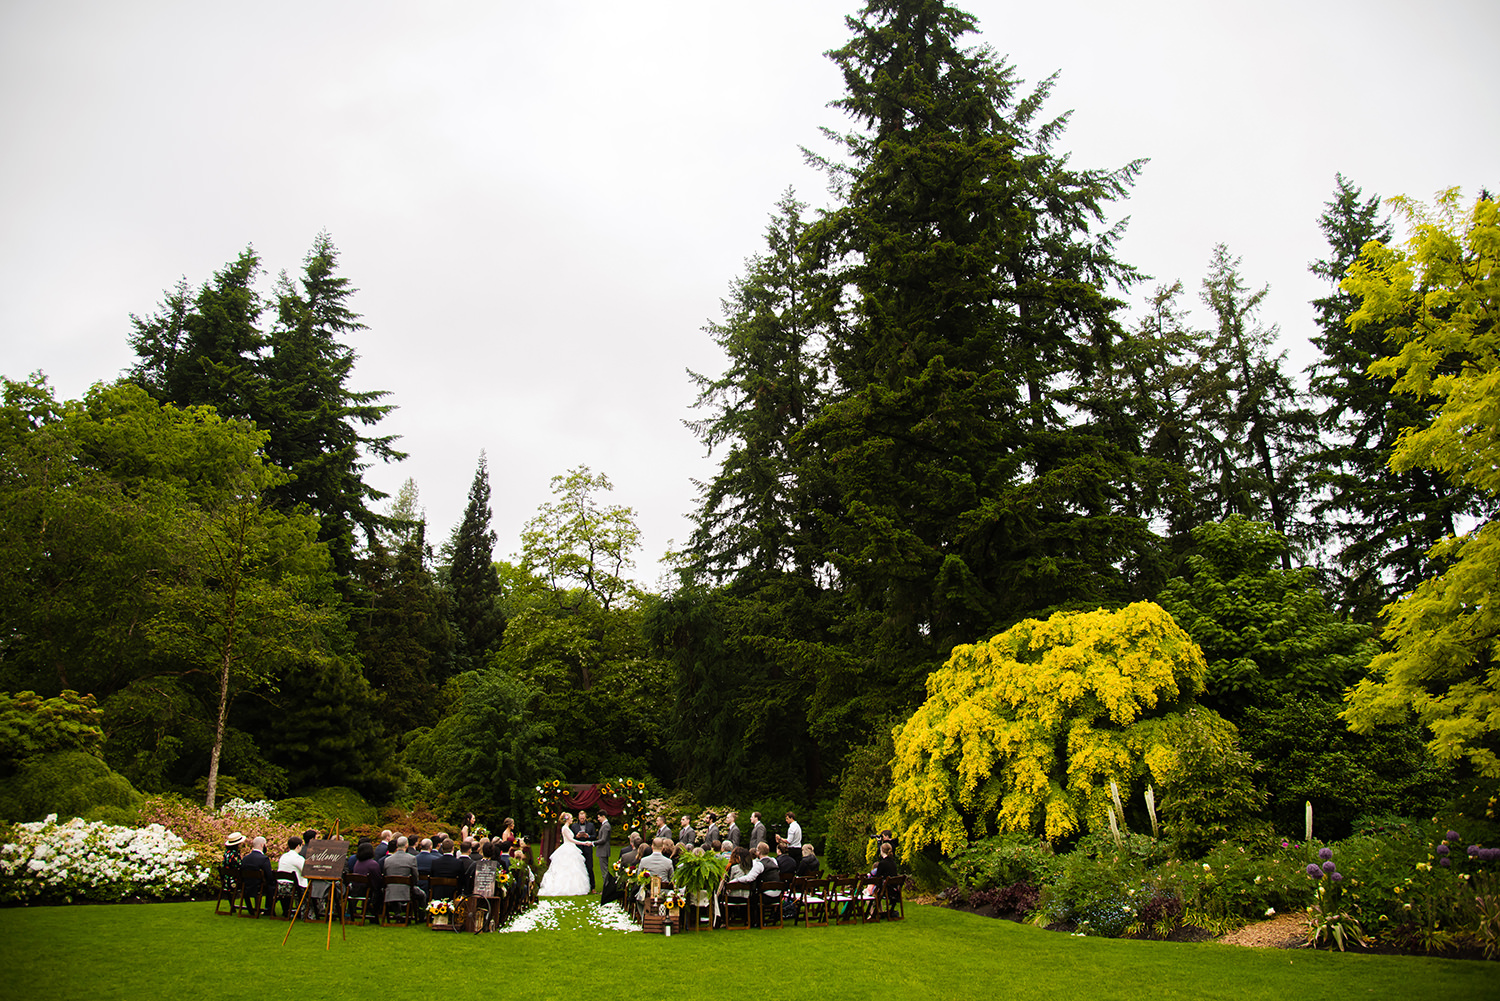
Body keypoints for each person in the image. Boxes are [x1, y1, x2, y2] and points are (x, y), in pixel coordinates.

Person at [538, 811, 593, 896]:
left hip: (571, 847)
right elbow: (571, 840)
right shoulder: (565, 829)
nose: (572, 820)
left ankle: (574, 886)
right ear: (567, 820)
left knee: (574, 868)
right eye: (571, 818)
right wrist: (583, 843)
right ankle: (565, 887)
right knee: (567, 868)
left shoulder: (568, 828)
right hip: (568, 848)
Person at [275, 835, 306, 918]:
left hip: (280, 886)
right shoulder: (298, 858)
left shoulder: (283, 857)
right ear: (298, 846)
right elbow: (305, 871)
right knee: (307, 888)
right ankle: (305, 912)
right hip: (292, 887)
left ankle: (287, 911)